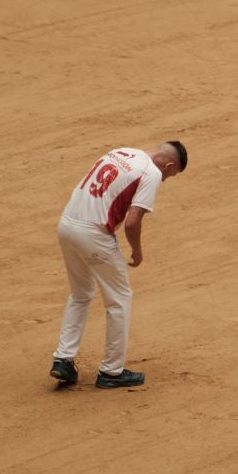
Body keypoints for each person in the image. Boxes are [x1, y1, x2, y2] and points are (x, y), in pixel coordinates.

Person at [49, 140, 188, 390]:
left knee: (80, 294)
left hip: (67, 225)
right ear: (169, 165)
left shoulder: (123, 152)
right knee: (120, 298)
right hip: (93, 234)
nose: (166, 179)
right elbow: (133, 221)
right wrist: (136, 250)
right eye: (171, 175)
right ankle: (111, 371)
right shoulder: (152, 173)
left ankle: (63, 359)